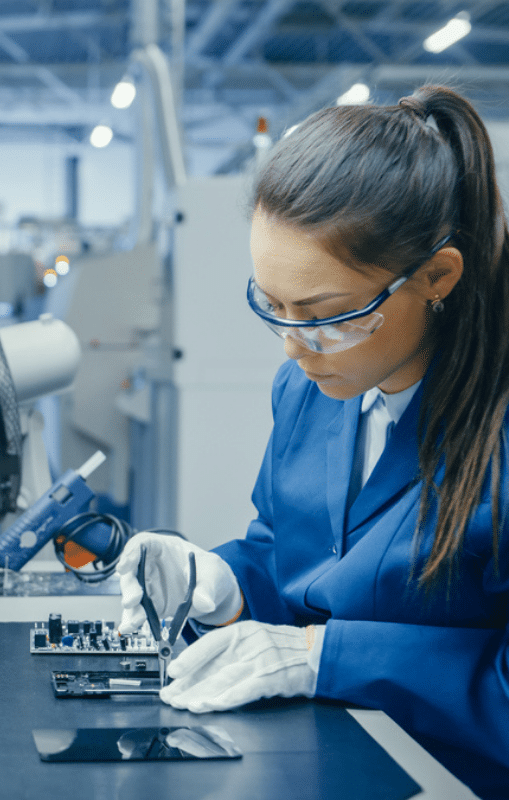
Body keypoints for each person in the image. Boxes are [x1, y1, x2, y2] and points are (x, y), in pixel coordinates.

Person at [116, 85, 509, 800]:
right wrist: (226, 582)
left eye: (327, 314)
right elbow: (289, 561)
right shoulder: (311, 391)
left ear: (437, 277)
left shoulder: (496, 434)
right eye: (273, 307)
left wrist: (325, 657)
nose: (295, 347)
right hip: (331, 761)